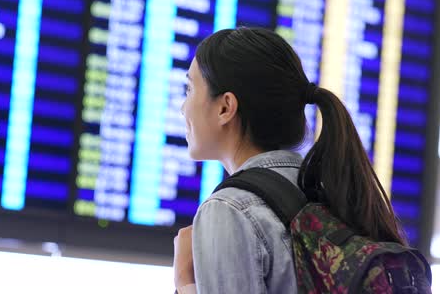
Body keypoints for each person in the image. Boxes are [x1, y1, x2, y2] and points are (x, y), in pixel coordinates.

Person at [173, 27, 407, 294]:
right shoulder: (328, 196)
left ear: (226, 107)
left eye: (189, 89)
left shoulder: (229, 208)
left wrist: (184, 281)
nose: (183, 107)